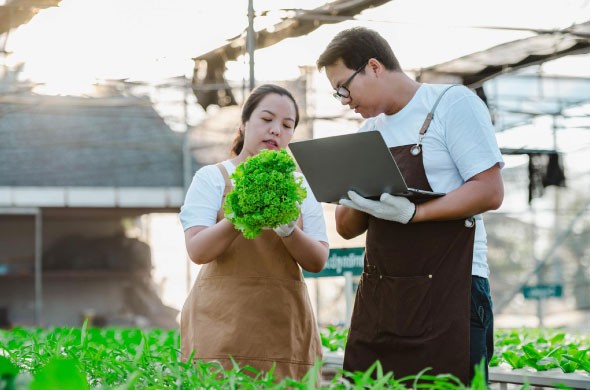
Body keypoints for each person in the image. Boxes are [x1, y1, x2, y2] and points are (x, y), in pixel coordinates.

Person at [316, 27, 504, 384]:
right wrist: (351, 191)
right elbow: (346, 227)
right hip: (384, 298)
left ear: (373, 67)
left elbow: (489, 190)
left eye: (344, 87)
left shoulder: (451, 103)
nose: (344, 100)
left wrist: (416, 213)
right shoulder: (368, 132)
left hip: (453, 291)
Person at [179, 84, 329, 380]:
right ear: (244, 123)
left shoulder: (300, 188)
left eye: (287, 125)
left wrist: (289, 231)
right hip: (219, 326)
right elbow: (197, 250)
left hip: (284, 326)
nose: (276, 130)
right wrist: (239, 215)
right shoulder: (213, 178)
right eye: (267, 119)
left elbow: (318, 260)